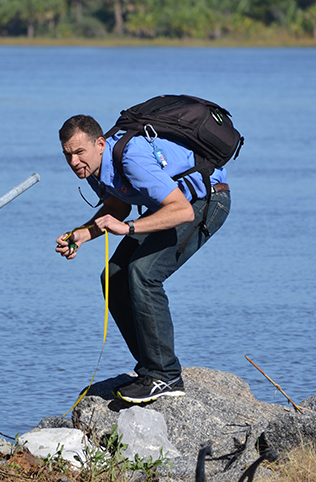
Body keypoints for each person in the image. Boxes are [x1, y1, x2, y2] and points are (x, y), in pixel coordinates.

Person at [55, 114, 231, 403]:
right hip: (173, 206)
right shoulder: (95, 166)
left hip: (204, 202)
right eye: (67, 155)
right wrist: (81, 234)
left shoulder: (130, 157)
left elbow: (182, 212)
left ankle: (166, 375)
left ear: (100, 143)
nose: (74, 162)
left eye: (79, 152)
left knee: (143, 274)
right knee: (113, 277)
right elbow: (118, 204)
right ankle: (151, 369)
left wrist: (128, 229)